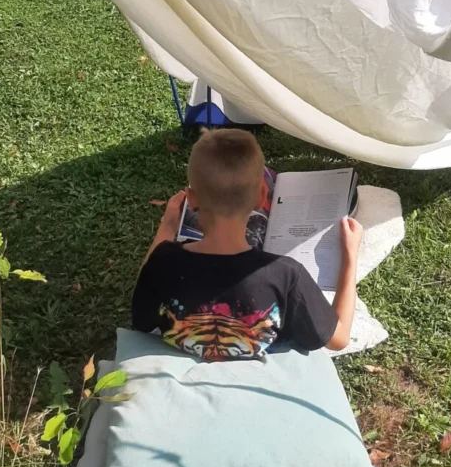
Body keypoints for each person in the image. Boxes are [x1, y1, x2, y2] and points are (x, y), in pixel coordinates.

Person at [132, 129, 363, 360]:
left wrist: (166, 228)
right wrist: (350, 256)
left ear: (191, 200)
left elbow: (141, 319)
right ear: (262, 196)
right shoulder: (286, 276)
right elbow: (338, 338)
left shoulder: (163, 261)